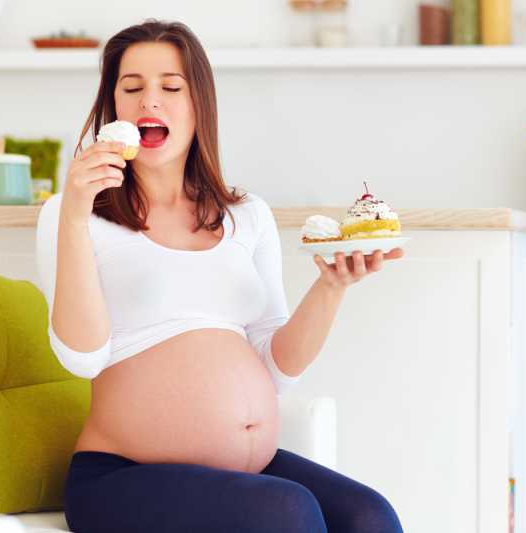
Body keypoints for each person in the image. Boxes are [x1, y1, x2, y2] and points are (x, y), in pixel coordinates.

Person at [35, 18, 405, 533]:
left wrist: (332, 285)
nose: (150, 102)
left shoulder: (246, 214)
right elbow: (81, 355)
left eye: (171, 86)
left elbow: (276, 368)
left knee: (370, 517)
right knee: (286, 512)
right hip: (121, 477)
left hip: (243, 470)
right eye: (132, 87)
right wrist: (75, 214)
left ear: (198, 105)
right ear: (111, 105)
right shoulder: (72, 213)